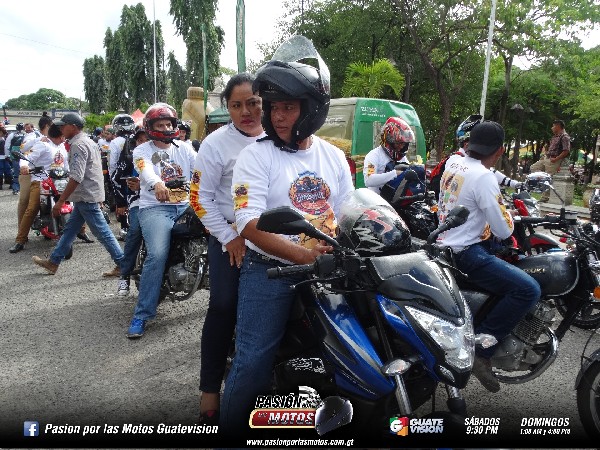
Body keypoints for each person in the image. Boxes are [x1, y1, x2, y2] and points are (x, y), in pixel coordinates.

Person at [220, 40, 354, 433]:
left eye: (288, 107)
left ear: (312, 109)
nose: (277, 116)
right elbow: (249, 223)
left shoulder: (333, 156)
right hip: (272, 270)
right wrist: (305, 258)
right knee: (252, 361)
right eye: (273, 106)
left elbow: (349, 211)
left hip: (329, 266)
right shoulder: (256, 155)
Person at [436, 120, 541, 393]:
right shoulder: (483, 177)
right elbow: (504, 230)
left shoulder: (454, 162)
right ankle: (482, 351)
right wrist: (507, 212)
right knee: (528, 289)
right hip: (467, 252)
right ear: (500, 150)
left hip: (445, 245)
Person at [189, 73, 265, 426]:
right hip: (229, 236)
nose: (246, 112)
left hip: (274, 237)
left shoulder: (279, 138)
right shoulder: (215, 144)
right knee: (223, 305)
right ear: (228, 109)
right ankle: (209, 389)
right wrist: (228, 236)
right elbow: (198, 198)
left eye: (253, 103)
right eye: (236, 105)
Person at [125, 103, 197, 339]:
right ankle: (142, 314)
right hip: (155, 208)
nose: (166, 128)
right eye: (160, 125)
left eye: (168, 124)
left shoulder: (185, 148)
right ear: (150, 127)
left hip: (185, 205)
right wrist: (157, 183)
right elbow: (145, 169)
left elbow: (201, 169)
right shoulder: (142, 150)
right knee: (156, 254)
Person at [31, 113, 124, 276]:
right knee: (70, 230)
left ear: (73, 127)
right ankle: (54, 262)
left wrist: (61, 201)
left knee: (103, 232)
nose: (61, 128)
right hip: (87, 194)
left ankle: (123, 264)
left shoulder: (78, 145)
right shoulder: (87, 141)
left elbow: (76, 177)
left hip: (86, 195)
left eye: (63, 125)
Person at [430, 114, 522, 198]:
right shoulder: (456, 160)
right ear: (466, 144)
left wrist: (514, 183)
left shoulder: (462, 160)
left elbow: (490, 171)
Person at [9, 124, 68, 253]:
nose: (64, 139)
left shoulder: (62, 146)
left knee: (74, 202)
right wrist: (24, 166)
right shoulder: (43, 144)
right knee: (32, 208)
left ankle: (81, 231)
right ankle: (20, 240)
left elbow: (66, 164)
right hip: (41, 181)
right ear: (57, 135)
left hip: (59, 181)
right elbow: (26, 157)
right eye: (62, 136)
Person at [113, 127, 148, 297]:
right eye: (140, 140)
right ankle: (124, 275)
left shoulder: (165, 154)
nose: (144, 143)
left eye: (147, 139)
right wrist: (121, 202)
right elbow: (116, 179)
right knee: (135, 231)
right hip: (138, 202)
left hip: (166, 202)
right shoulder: (131, 158)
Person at [362, 116, 417, 195]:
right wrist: (395, 174)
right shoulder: (374, 155)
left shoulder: (403, 158)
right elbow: (369, 180)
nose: (401, 147)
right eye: (399, 143)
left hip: (395, 200)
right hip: (376, 200)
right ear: (389, 141)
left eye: (404, 144)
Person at [528, 119, 571, 202]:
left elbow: (566, 151)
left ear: (558, 126)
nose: (552, 128)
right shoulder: (555, 136)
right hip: (547, 158)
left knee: (548, 177)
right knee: (533, 168)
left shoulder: (565, 136)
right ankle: (539, 184)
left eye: (553, 126)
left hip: (554, 160)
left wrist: (556, 159)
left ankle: (545, 197)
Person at [5, 122, 26, 194]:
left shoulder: (25, 135)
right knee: (17, 172)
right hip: (16, 156)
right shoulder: (13, 135)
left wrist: (7, 155)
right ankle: (16, 188)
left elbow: (7, 145)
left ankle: (20, 188)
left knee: (21, 172)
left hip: (23, 156)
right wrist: (7, 155)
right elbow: (7, 145)